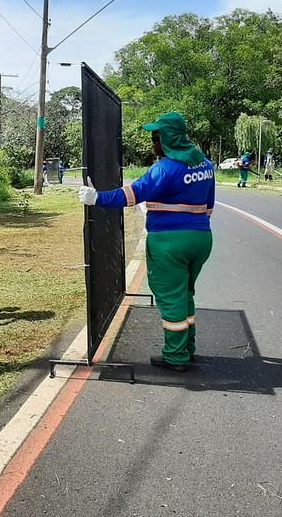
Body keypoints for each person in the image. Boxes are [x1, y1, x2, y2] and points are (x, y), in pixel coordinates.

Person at [78, 111, 214, 372]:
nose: (153, 142)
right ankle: (188, 347)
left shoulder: (165, 168)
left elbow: (132, 195)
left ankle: (176, 356)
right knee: (185, 293)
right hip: (201, 239)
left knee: (171, 297)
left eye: (156, 136)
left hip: (169, 243)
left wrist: (96, 198)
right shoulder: (204, 165)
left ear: (167, 138)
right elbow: (209, 205)